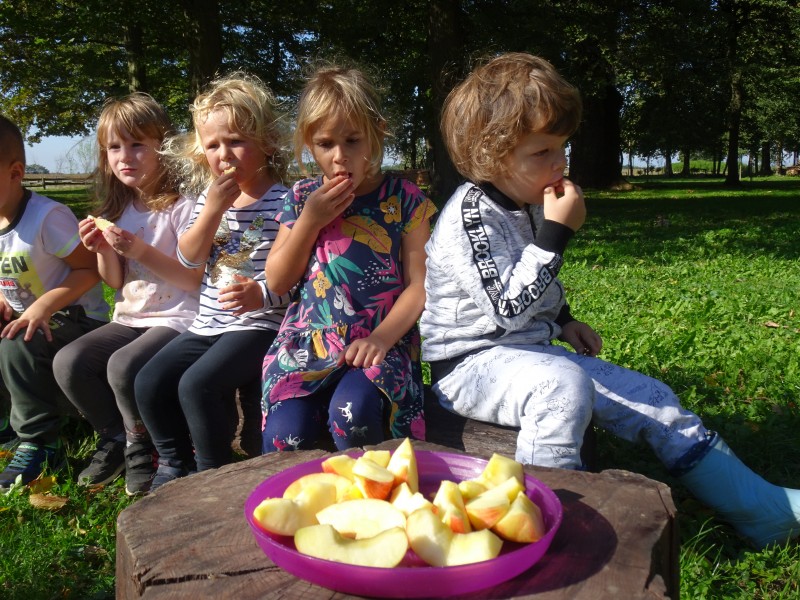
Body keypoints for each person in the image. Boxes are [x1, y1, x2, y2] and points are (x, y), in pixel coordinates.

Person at [420, 52, 800, 549]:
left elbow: (532, 286)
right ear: (492, 156)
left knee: (655, 399)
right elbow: (505, 308)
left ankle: (758, 508)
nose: (560, 163)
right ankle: (541, 524)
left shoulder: (528, 203)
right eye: (543, 151)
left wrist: (563, 319)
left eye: (563, 147)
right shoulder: (469, 216)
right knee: (562, 387)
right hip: (469, 365)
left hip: (529, 354)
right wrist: (556, 235)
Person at [260, 65, 435, 452]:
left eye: (353, 140)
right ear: (309, 144)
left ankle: (373, 489)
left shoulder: (404, 199)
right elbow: (277, 281)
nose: (340, 157)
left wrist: (381, 338)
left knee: (352, 413)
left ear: (377, 133)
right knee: (284, 436)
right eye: (325, 144)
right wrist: (310, 220)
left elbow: (419, 285)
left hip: (380, 341)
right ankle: (296, 493)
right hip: (308, 345)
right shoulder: (302, 198)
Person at [134, 73, 291, 491]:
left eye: (236, 141)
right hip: (207, 323)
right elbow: (189, 256)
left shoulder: (286, 201)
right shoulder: (209, 199)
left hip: (259, 324)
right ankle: (173, 461)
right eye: (213, 145)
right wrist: (213, 210)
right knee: (148, 381)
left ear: (268, 142)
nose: (224, 155)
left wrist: (262, 293)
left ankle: (211, 473)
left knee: (197, 384)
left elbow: (298, 276)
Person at [52, 94, 201, 495]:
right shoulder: (118, 209)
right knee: (69, 362)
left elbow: (191, 280)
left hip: (178, 317)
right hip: (132, 316)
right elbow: (115, 282)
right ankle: (118, 437)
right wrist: (102, 250)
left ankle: (145, 447)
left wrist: (137, 249)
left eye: (137, 144)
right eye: (114, 147)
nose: (125, 157)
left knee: (121, 365)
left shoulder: (184, 207)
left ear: (163, 147)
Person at [0, 115, 109, 491]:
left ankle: (41, 442)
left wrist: (43, 306)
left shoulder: (47, 218)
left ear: (15, 172)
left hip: (78, 318)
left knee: (19, 341)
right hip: (30, 315)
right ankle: (8, 421)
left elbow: (90, 270)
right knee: (16, 332)